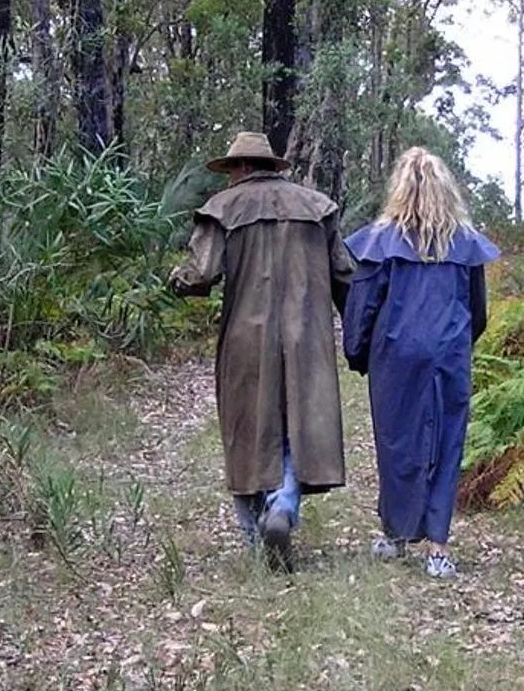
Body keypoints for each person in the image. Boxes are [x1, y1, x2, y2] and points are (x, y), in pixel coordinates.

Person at [170, 130, 355, 570]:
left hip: (245, 338)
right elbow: (346, 275)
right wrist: (358, 335)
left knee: (245, 427)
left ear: (241, 168)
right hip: (307, 335)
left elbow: (200, 274)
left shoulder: (222, 208)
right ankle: (285, 505)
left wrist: (175, 282)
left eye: (230, 169)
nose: (229, 178)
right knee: (297, 425)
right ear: (270, 166)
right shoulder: (317, 208)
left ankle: (256, 538)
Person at [341, 147, 500, 580]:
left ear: (399, 190)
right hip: (448, 353)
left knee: (397, 443)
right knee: (447, 442)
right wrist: (457, 345)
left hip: (396, 356)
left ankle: (395, 535)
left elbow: (363, 306)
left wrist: (357, 353)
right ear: (445, 190)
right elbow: (478, 312)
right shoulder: (463, 245)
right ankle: (437, 549)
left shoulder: (381, 242)